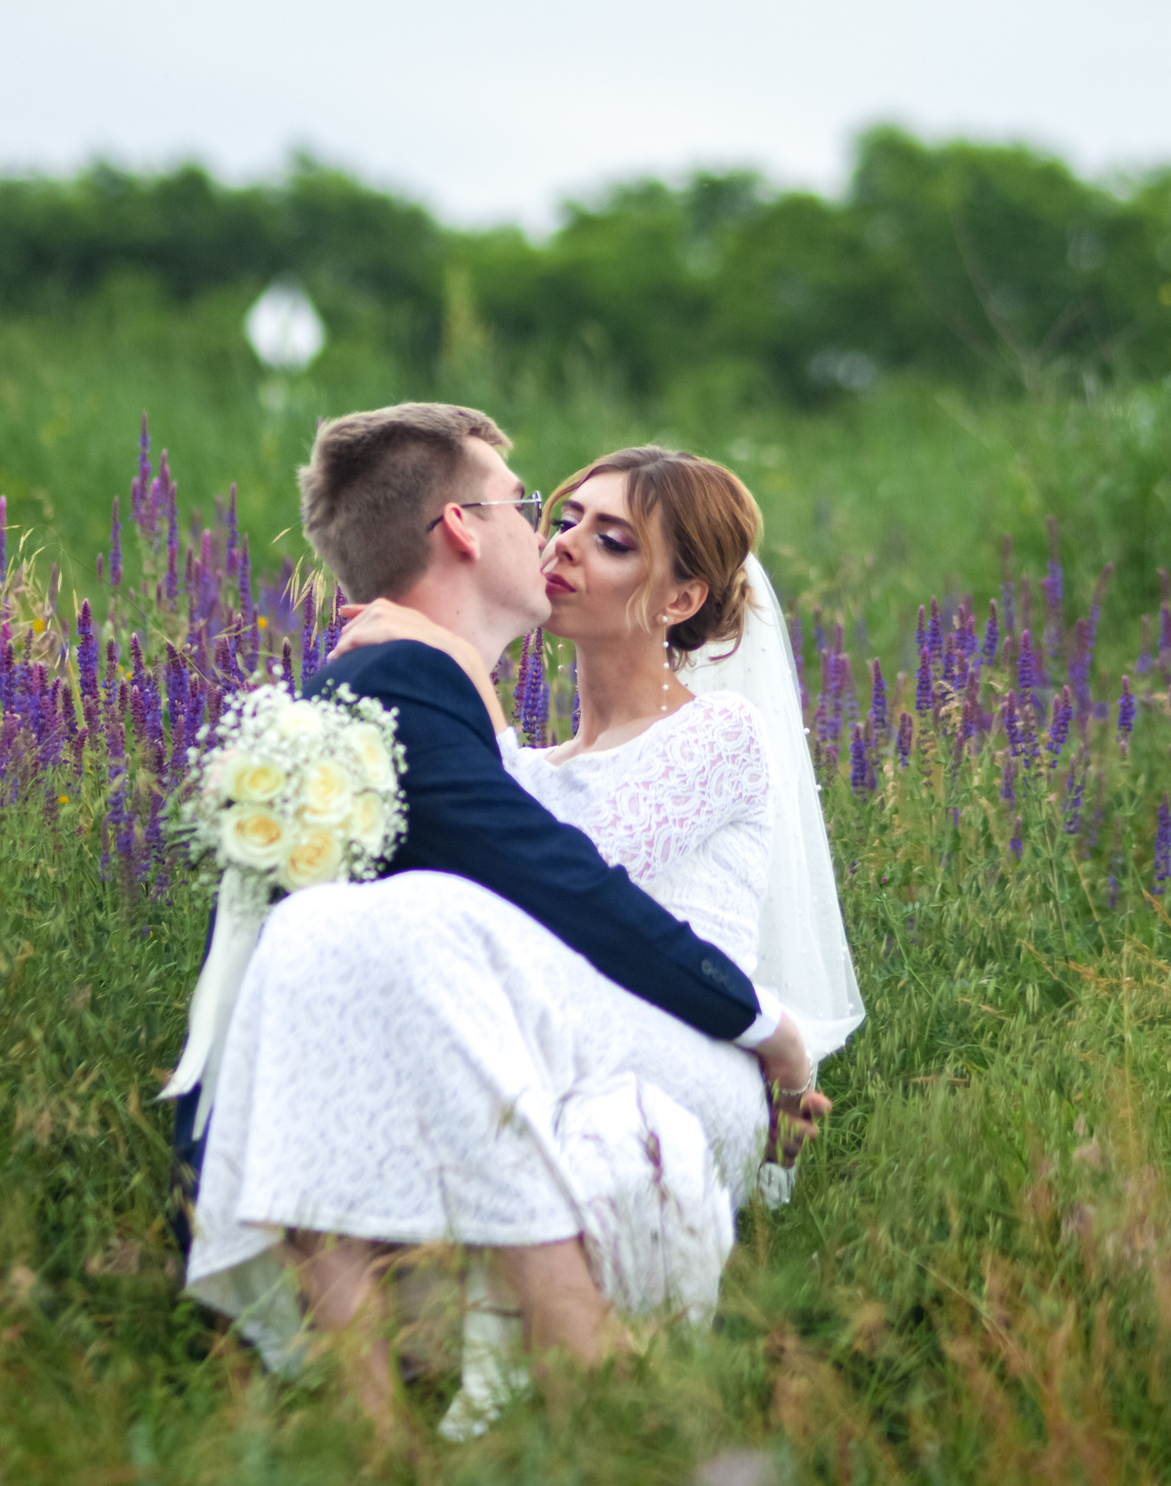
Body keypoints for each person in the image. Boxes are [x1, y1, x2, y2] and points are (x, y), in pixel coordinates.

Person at [174, 405, 858, 1439]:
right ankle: (367, 1418)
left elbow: (570, 881)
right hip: (566, 1032)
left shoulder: (716, 734)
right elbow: (516, 846)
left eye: (610, 539)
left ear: (679, 598)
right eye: (563, 517)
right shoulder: (531, 761)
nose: (563, 543)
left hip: (687, 1040)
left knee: (429, 913)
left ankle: (585, 1358)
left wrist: (450, 662)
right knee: (327, 935)